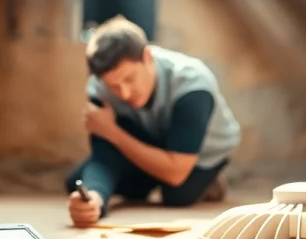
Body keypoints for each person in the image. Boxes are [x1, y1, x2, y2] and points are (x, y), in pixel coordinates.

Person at [65, 16, 241, 227]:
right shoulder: (99, 88)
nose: (124, 93)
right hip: (150, 135)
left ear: (147, 57)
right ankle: (146, 174)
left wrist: (111, 131)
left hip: (201, 153)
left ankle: (209, 180)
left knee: (177, 195)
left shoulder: (193, 84)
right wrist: (95, 199)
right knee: (78, 182)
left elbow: (175, 173)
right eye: (113, 86)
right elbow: (104, 154)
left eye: (129, 79)